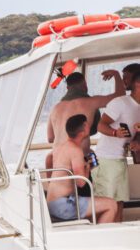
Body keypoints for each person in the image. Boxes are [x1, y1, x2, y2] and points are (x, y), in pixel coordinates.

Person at [48, 114, 116, 223]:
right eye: (88, 124)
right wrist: (88, 167)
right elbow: (81, 183)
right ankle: (100, 239)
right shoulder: (75, 150)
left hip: (52, 203)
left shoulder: (62, 146)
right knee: (111, 205)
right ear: (84, 128)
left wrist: (84, 166)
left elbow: (50, 160)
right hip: (63, 205)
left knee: (95, 206)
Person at [95, 69, 140, 222]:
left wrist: (135, 142)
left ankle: (116, 235)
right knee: (108, 204)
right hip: (107, 159)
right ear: (138, 85)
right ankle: (103, 240)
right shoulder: (120, 103)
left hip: (120, 160)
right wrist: (115, 133)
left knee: (119, 203)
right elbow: (100, 126)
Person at [47, 70, 125, 155]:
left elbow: (51, 138)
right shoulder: (91, 102)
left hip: (58, 159)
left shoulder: (55, 108)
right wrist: (116, 74)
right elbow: (120, 96)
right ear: (85, 85)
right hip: (79, 159)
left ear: (68, 88)